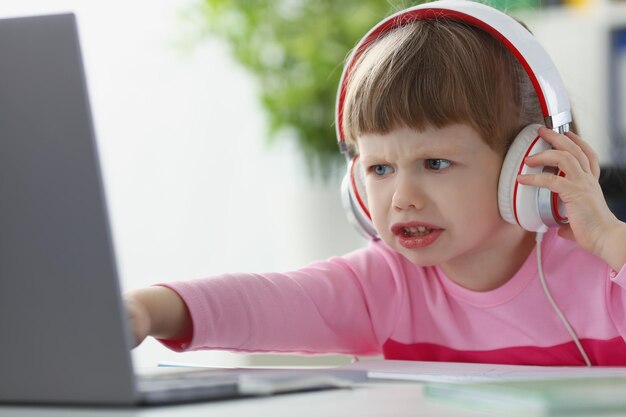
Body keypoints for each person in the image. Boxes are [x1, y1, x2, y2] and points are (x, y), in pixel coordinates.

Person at [125, 2, 626, 366]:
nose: (402, 198)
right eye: (379, 169)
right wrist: (147, 311)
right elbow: (271, 299)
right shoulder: (384, 286)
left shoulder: (603, 276)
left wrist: (609, 238)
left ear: (531, 164)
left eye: (434, 163)